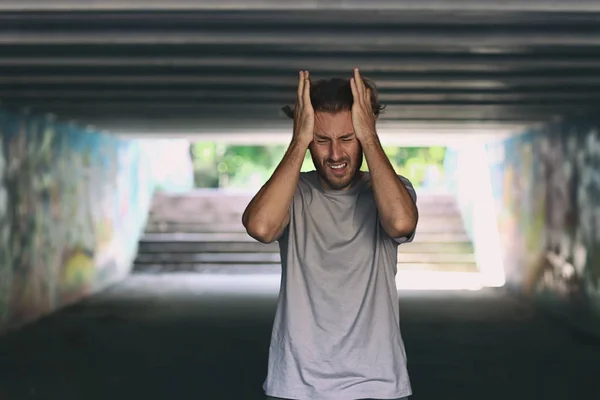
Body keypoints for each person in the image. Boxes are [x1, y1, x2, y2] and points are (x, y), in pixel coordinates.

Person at [242, 68, 419, 400]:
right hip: (297, 385)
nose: (335, 155)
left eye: (348, 139)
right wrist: (298, 140)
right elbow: (261, 227)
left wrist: (370, 136)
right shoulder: (293, 194)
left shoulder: (391, 191)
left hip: (377, 384)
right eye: (321, 140)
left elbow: (400, 222)